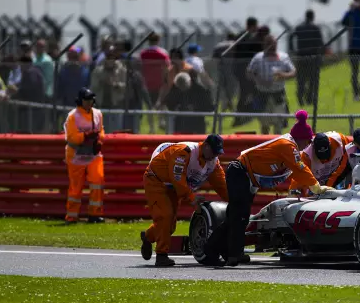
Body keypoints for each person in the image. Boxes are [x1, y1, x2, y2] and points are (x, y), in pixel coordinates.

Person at [219, 110, 331, 266]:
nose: (309, 144)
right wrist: (315, 187)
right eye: (308, 140)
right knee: (239, 216)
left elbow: (296, 172)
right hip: (240, 173)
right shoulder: (288, 145)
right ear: (301, 138)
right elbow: (300, 168)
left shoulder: (290, 146)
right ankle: (231, 255)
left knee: (238, 217)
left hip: (248, 179)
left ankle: (216, 250)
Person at [141, 135, 229, 267]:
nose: (215, 156)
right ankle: (161, 256)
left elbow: (221, 185)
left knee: (170, 226)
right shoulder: (184, 152)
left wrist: (234, 199)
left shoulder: (213, 163)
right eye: (214, 152)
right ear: (206, 146)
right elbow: (177, 177)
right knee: (165, 216)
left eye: (218, 153)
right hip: (156, 181)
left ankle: (147, 237)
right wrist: (192, 197)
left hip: (173, 187)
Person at [63, 88, 105, 224]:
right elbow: (71, 137)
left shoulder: (98, 114)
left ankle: (95, 215)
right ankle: (72, 216)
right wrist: (86, 136)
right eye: (86, 100)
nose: (89, 102)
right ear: (80, 101)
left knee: (97, 182)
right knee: (75, 187)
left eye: (91, 99)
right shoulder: (72, 116)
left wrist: (99, 140)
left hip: (93, 155)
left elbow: (102, 132)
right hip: (76, 155)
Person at [247, 34, 296, 135]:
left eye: (274, 43)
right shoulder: (258, 58)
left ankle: (277, 144)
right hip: (262, 94)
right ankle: (265, 144)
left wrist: (283, 75)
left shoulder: (283, 57)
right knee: (264, 122)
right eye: (269, 44)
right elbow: (249, 72)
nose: (272, 46)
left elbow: (293, 72)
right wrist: (259, 80)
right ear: (265, 45)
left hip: (278, 94)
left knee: (279, 121)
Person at [289, 9, 324, 107]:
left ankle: (300, 97)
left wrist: (292, 49)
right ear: (313, 17)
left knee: (301, 79)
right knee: (313, 79)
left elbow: (291, 37)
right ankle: (309, 97)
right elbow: (320, 42)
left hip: (301, 56)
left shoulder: (299, 27)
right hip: (313, 56)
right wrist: (320, 53)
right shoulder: (315, 28)